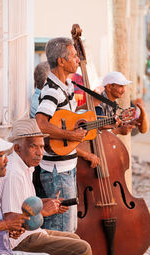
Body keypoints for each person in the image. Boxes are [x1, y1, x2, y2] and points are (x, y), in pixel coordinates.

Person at [0, 118, 96, 255]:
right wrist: (43, 211)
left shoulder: (25, 167)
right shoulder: (14, 173)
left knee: (75, 239)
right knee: (81, 250)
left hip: (30, 233)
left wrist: (44, 202)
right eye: (34, 147)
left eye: (42, 147)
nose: (40, 152)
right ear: (18, 148)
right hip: (19, 240)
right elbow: (11, 219)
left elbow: (23, 203)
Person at [35, 37, 100, 232]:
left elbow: (67, 116)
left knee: (69, 226)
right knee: (62, 229)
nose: (78, 60)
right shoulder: (52, 91)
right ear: (61, 61)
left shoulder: (68, 86)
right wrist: (69, 136)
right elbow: (41, 122)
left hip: (67, 166)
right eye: (73, 56)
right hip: (57, 171)